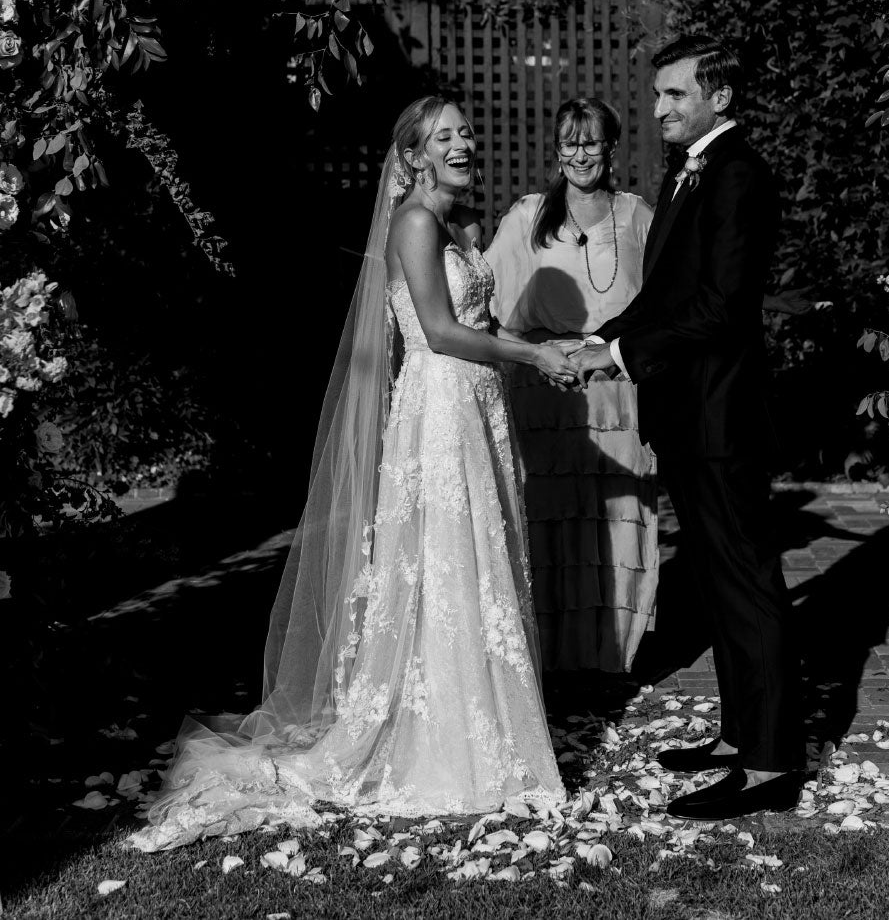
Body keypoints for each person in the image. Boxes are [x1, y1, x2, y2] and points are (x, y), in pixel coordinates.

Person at [131, 95, 573, 848]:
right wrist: (532, 355)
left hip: (475, 408)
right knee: (444, 565)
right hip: (438, 411)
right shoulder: (413, 222)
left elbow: (483, 326)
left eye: (467, 130)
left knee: (478, 564)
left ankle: (484, 726)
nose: (464, 141)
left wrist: (561, 350)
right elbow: (437, 331)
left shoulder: (461, 226)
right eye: (446, 134)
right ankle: (445, 745)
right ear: (414, 154)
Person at [571, 36, 804, 821]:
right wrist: (601, 340)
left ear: (720, 96)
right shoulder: (688, 170)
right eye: (659, 94)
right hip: (686, 415)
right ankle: (741, 737)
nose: (659, 107)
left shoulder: (739, 176)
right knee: (716, 585)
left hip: (722, 417)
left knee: (748, 586)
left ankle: (772, 762)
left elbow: (721, 310)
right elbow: (668, 293)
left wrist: (624, 352)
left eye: (675, 94)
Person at [485, 97, 656, 674]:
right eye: (569, 141)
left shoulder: (637, 215)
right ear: (556, 150)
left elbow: (663, 302)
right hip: (545, 389)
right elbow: (488, 297)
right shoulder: (528, 215)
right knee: (547, 517)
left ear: (612, 148)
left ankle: (612, 653)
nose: (580, 153)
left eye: (591, 141)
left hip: (615, 388)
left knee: (615, 520)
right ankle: (546, 654)